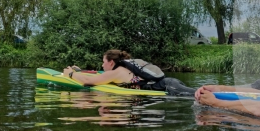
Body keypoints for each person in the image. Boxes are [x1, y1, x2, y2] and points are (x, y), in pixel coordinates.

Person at [63, 49, 197, 96]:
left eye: (103, 62)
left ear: (111, 63)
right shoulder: (124, 68)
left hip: (170, 88)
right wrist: (79, 71)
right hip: (170, 83)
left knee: (201, 95)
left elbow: (87, 82)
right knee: (199, 93)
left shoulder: (115, 72)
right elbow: (98, 75)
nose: (102, 65)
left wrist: (70, 74)